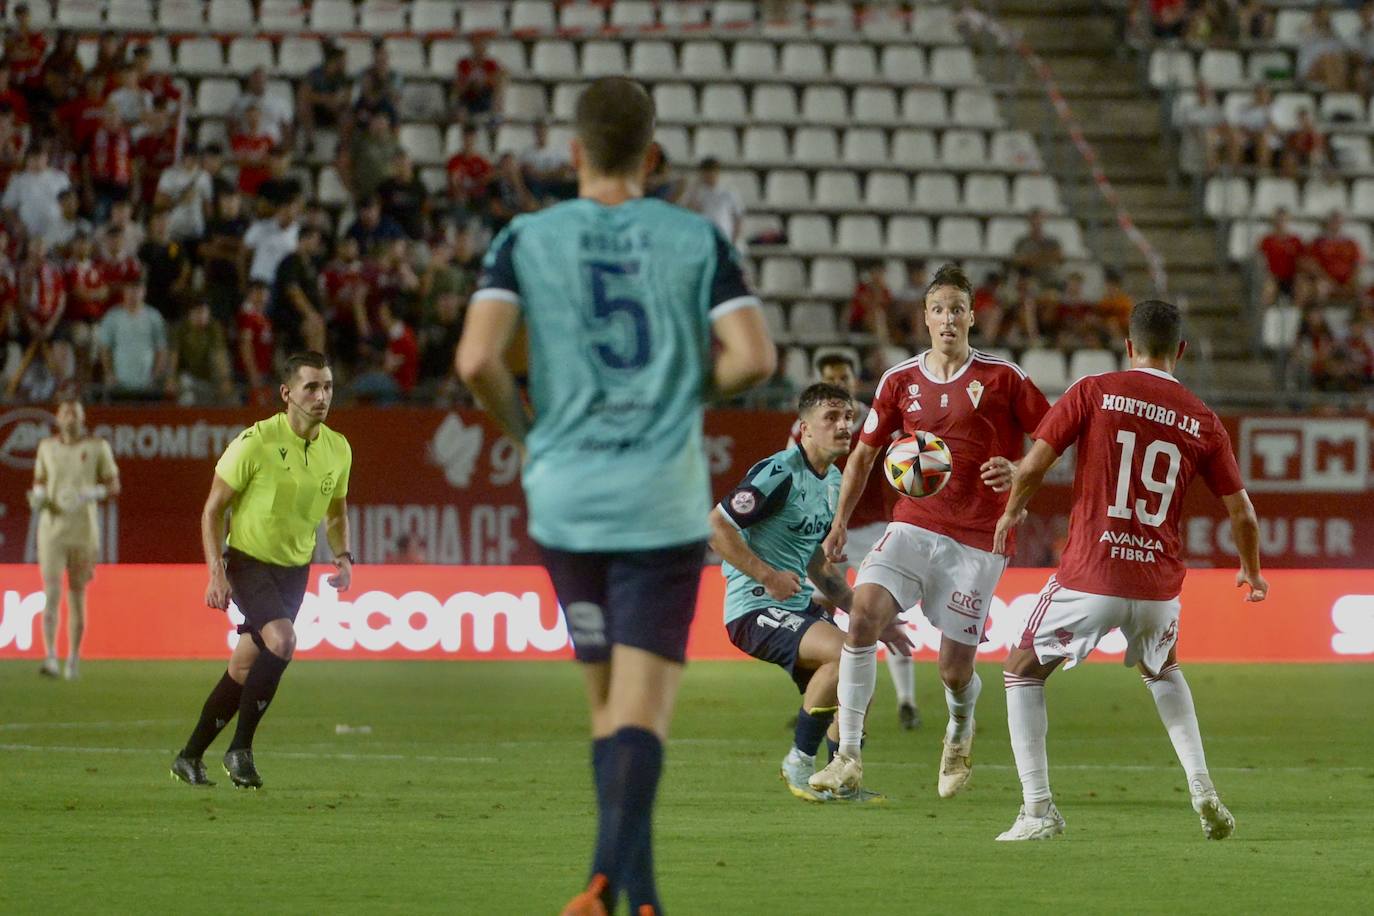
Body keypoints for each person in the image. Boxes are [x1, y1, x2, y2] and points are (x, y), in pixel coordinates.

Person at [456, 77, 775, 916]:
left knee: (605, 707)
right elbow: (753, 358)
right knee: (643, 710)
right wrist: (679, 391)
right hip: (659, 499)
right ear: (652, 155)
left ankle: (640, 897)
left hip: (565, 497)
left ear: (574, 153)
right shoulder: (695, 236)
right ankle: (605, 881)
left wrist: (530, 436)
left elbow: (475, 362)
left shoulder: (525, 235)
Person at [989, 299, 1267, 841]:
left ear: (1128, 346)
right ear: (1180, 351)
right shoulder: (1203, 419)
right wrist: (1251, 571)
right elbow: (1244, 514)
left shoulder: (1093, 389)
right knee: (1163, 670)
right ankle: (1203, 786)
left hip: (1092, 572)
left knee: (1021, 666)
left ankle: (1038, 809)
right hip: (1159, 583)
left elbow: (1036, 463)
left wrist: (1012, 510)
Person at [809, 262, 1051, 800]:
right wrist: (840, 523)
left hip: (978, 539)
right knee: (864, 614)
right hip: (913, 526)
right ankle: (848, 754)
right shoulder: (900, 382)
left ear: (971, 317)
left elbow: (1054, 435)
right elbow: (864, 455)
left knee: (952, 669)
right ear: (924, 317)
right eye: (938, 309)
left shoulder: (1003, 378)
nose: (948, 319)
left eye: (957, 310)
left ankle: (959, 729)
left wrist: (1019, 471)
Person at [714, 382, 911, 802]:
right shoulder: (779, 472)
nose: (843, 426)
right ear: (804, 429)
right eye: (831, 418)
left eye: (847, 418)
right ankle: (799, 763)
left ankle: (840, 779)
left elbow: (817, 565)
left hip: (795, 603)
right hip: (754, 605)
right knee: (847, 655)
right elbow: (717, 527)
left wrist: (868, 616)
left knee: (859, 675)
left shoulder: (833, 481)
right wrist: (766, 574)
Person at [170, 351, 354, 789]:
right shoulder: (254, 442)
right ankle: (241, 750)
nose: (321, 396)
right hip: (249, 562)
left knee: (242, 668)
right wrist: (216, 573)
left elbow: (337, 511)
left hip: (295, 570)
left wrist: (343, 556)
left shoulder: (338, 448)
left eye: (327, 386)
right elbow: (212, 511)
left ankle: (189, 757)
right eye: (311, 387)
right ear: (286, 393)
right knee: (284, 640)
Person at [806, 352, 918, 728]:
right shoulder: (804, 428)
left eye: (845, 377)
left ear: (855, 380)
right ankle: (816, 698)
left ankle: (907, 702)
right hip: (830, 533)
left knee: (888, 613)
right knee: (817, 616)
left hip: (871, 530)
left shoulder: (877, 419)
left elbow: (904, 462)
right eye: (832, 379)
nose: (840, 384)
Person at [27, 397, 120, 680]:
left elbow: (114, 484)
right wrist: (39, 497)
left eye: (75, 413)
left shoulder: (97, 448)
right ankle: (51, 656)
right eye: (65, 412)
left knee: (77, 597)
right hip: (52, 531)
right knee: (51, 593)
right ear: (57, 418)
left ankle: (73, 660)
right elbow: (39, 481)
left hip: (83, 532)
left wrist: (96, 493)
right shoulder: (47, 448)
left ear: (82, 418)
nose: (70, 417)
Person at [682, 157, 744, 248]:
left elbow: (738, 218)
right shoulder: (698, 192)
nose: (709, 176)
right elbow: (689, 214)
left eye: (712, 172)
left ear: (717, 172)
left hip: (726, 237)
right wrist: (695, 188)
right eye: (706, 173)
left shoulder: (729, 191)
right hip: (706, 239)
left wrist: (734, 241)